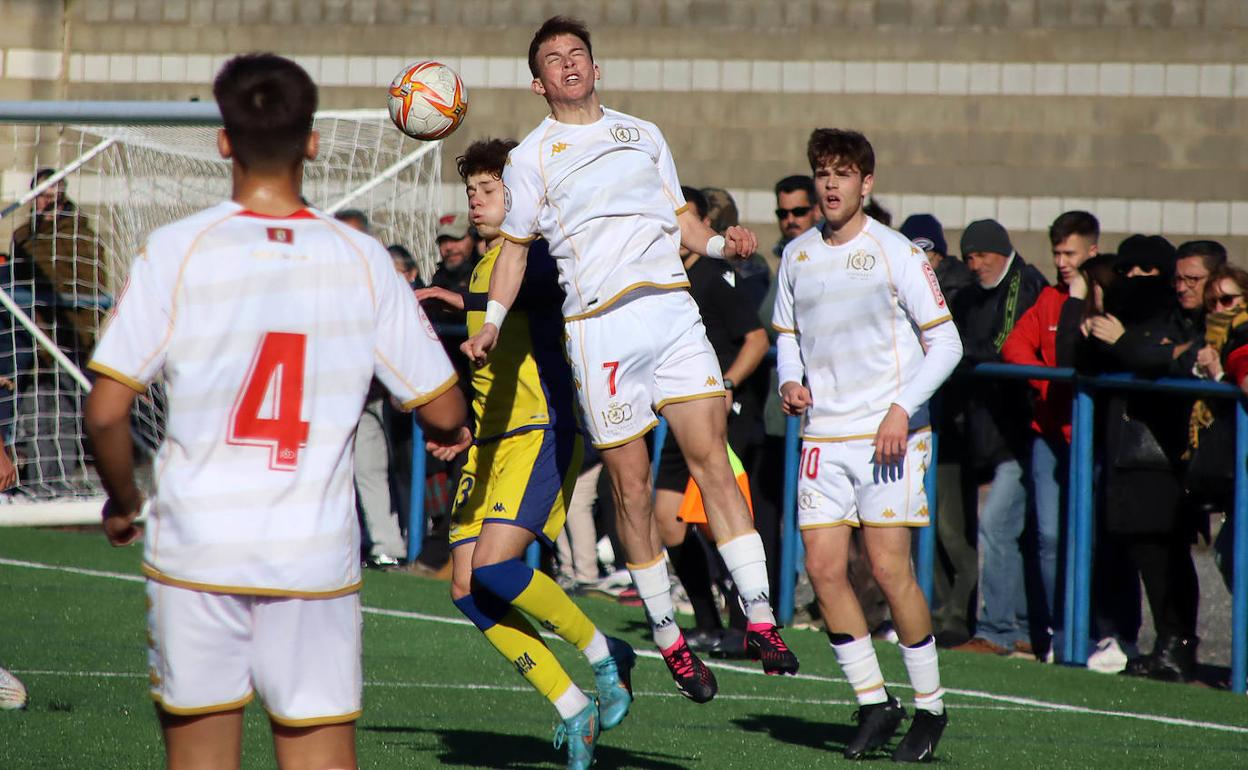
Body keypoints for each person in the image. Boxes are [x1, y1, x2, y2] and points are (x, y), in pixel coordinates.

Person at [83, 54, 467, 770]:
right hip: (312, 553)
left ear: (224, 141)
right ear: (314, 141)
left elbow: (106, 412)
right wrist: (456, 426)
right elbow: (443, 409)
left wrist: (123, 499)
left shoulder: (177, 249)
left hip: (198, 548)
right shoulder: (360, 258)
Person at [462, 15, 798, 705]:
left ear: (597, 66)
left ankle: (761, 620)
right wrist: (492, 322)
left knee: (712, 457)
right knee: (632, 484)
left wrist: (720, 248)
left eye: (578, 53)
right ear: (538, 82)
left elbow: (680, 220)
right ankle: (668, 637)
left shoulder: (642, 133)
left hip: (672, 311)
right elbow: (518, 249)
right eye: (554, 59)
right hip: (601, 326)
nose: (569, 64)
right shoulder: (533, 156)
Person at [435, 137, 635, 769]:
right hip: (490, 443)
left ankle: (607, 655)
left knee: (495, 570)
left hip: (537, 431)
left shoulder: (537, 257)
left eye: (489, 190)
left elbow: (547, 290)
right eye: (471, 190)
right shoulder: (479, 267)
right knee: (467, 590)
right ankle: (572, 706)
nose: (476, 200)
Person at [774, 129, 961, 761]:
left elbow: (949, 344)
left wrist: (902, 410)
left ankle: (931, 710)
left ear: (866, 184)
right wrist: (790, 378)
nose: (830, 185)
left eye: (842, 174)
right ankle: (875, 703)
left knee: (887, 569)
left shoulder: (897, 253)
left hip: (889, 435)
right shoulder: (797, 255)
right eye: (822, 173)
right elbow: (785, 334)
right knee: (823, 570)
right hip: (824, 435)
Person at [1057, 236, 1201, 683]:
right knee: (1137, 551)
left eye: (1148, 273)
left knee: (1168, 555)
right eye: (1129, 272)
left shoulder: (1178, 317)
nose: (1136, 281)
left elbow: (1159, 356)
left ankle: (1177, 645)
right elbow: (1074, 359)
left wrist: (1123, 340)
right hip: (1125, 453)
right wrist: (1084, 313)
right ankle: (1157, 644)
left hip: (1162, 453)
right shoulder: (1121, 315)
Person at [654, 186, 769, 656]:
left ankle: (745, 624)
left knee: (716, 520)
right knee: (665, 518)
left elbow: (757, 340)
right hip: (681, 414)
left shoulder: (715, 273)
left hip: (722, 415)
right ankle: (703, 619)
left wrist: (727, 383)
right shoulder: (664, 275)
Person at [1001, 210, 1098, 660]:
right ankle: (1057, 632)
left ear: (1092, 252)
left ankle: (1096, 631)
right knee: (1048, 538)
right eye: (1056, 252)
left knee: (1094, 538)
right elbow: (1015, 345)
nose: (1061, 261)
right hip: (1049, 433)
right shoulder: (1049, 300)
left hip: (1089, 437)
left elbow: (1081, 356)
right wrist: (1048, 380)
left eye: (1070, 253)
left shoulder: (1099, 296)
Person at [950, 218, 1047, 657]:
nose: (975, 264)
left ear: (1001, 251)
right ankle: (1024, 630)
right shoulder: (973, 293)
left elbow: (1004, 344)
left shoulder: (1022, 285)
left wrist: (961, 356)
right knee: (1014, 533)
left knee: (998, 527)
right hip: (990, 429)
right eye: (969, 256)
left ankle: (998, 630)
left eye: (982, 255)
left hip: (1021, 432)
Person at [899, 213, 976, 646]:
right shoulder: (902, 281)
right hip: (913, 423)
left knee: (949, 528)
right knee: (917, 525)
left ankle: (959, 615)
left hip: (948, 427)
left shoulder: (956, 288)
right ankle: (938, 611)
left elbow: (952, 345)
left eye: (928, 250)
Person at [334, 209, 406, 569]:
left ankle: (387, 544)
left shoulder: (382, 283)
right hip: (333, 394)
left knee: (373, 469)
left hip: (375, 391)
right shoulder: (322, 282)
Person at [771, 174, 819, 260]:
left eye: (799, 212)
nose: (790, 220)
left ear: (817, 211)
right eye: (783, 213)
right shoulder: (781, 254)